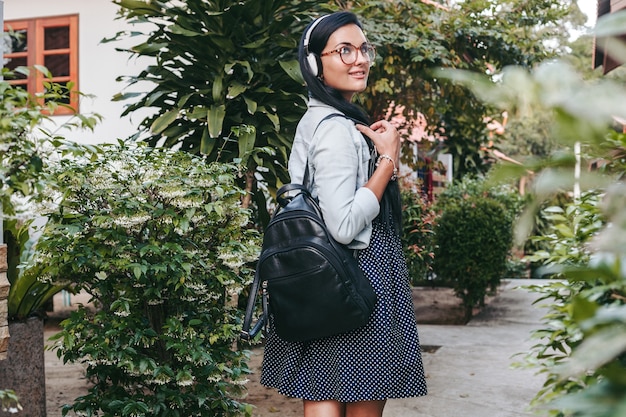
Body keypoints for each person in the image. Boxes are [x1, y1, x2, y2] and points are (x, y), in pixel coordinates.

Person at [260, 11, 427, 417]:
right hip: (358, 276)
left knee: (322, 391)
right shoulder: (337, 129)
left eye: (364, 49)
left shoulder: (314, 120)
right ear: (316, 64)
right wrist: (388, 161)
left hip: (319, 276)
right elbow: (344, 223)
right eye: (345, 50)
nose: (360, 60)